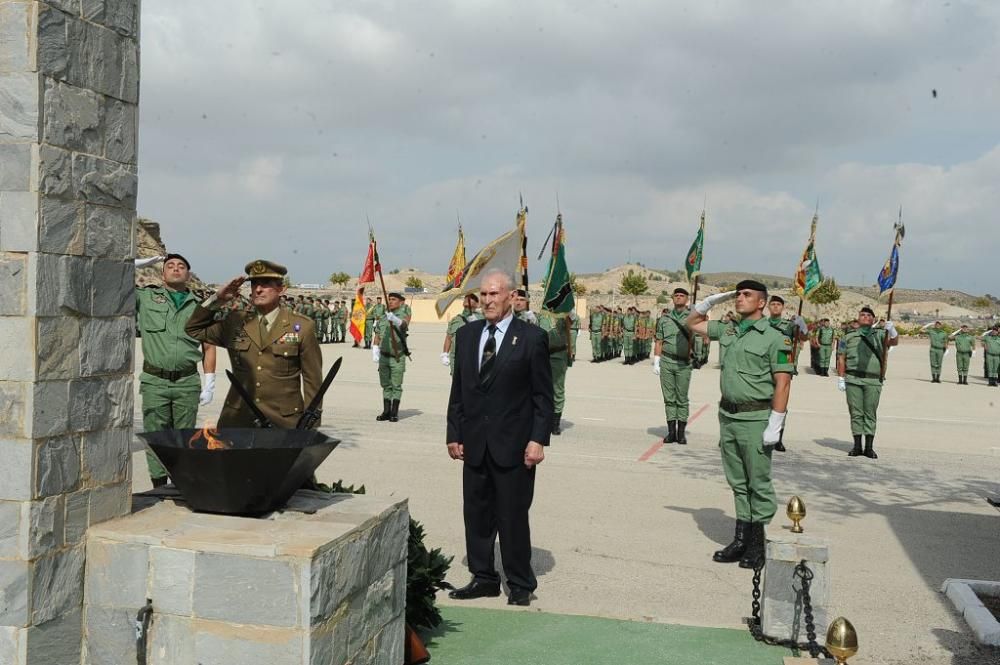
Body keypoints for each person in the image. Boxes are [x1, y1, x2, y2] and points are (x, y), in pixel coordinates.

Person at [446, 269, 553, 607]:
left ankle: (520, 581)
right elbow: (458, 391)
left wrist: (538, 439)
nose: (487, 300)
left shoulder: (531, 338)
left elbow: (542, 397)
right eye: (483, 294)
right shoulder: (466, 335)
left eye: (494, 294)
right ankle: (484, 578)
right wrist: (454, 433)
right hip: (475, 441)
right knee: (476, 515)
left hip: (515, 445)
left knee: (512, 516)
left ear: (511, 297)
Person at [687, 280, 793, 569]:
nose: (740, 299)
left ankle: (757, 544)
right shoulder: (730, 330)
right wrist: (712, 300)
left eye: (747, 295)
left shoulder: (776, 338)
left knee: (757, 482)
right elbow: (692, 322)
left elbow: (782, 383)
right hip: (729, 417)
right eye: (738, 294)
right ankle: (741, 538)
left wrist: (776, 422)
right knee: (738, 481)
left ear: (761, 303)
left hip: (756, 418)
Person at [185, 259, 323, 428]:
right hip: (238, 418)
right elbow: (193, 329)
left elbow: (313, 380)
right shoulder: (236, 321)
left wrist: (310, 425)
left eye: (266, 284)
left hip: (283, 421)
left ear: (281, 289)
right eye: (254, 284)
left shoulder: (302, 327)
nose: (258, 289)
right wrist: (218, 298)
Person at [135, 254, 217, 486]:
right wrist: (131, 264)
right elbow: (115, 284)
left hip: (186, 382)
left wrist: (209, 381)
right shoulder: (146, 297)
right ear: (162, 273)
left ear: (188, 275)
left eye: (181, 266)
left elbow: (208, 345)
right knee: (155, 436)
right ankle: (158, 486)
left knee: (184, 437)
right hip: (154, 381)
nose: (175, 269)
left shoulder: (199, 306)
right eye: (170, 265)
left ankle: (181, 483)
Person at [836, 306, 899, 458]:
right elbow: (841, 357)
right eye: (862, 315)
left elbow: (894, 342)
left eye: (868, 315)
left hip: (873, 380)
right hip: (853, 379)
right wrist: (841, 377)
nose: (865, 317)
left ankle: (869, 447)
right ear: (858, 318)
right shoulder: (848, 337)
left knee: (870, 413)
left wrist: (893, 331)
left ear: (873, 319)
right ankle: (857, 446)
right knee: (856, 412)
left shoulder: (879, 335)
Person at [764, 295, 807, 452]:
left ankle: (778, 438)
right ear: (768, 307)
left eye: (778, 304)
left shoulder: (789, 326)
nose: (775, 307)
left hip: (783, 364)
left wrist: (802, 326)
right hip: (764, 365)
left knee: (781, 402)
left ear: (782, 308)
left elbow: (803, 338)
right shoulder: (763, 324)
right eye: (773, 304)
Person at [653, 288, 694, 445]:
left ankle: (681, 433)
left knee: (682, 399)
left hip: (683, 363)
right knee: (669, 398)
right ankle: (671, 432)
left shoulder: (691, 318)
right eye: (676, 296)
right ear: (672, 298)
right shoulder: (664, 319)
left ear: (687, 298)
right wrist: (656, 360)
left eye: (681, 296)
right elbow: (659, 341)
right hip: (667, 362)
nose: (678, 298)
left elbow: (699, 336)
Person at [373, 292, 412, 422]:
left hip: (397, 357)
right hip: (384, 356)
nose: (390, 301)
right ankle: (386, 411)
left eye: (394, 299)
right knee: (385, 385)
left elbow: (405, 324)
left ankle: (394, 412)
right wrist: (375, 349)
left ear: (401, 302)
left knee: (396, 385)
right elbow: (378, 334)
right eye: (389, 299)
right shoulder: (384, 318)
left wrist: (395, 320)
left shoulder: (403, 315)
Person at [537, 307, 575, 435]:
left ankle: (555, 422)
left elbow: (571, 322)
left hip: (558, 355)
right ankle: (543, 419)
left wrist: (569, 311)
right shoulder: (541, 315)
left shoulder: (562, 315)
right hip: (542, 355)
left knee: (557, 389)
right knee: (540, 389)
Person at [442, 293, 482, 374]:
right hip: (456, 359)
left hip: (474, 359)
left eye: (472, 298)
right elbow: (449, 337)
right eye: (466, 297)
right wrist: (445, 354)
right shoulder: (455, 319)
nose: (467, 299)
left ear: (477, 304)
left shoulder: (483, 318)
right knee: (456, 384)